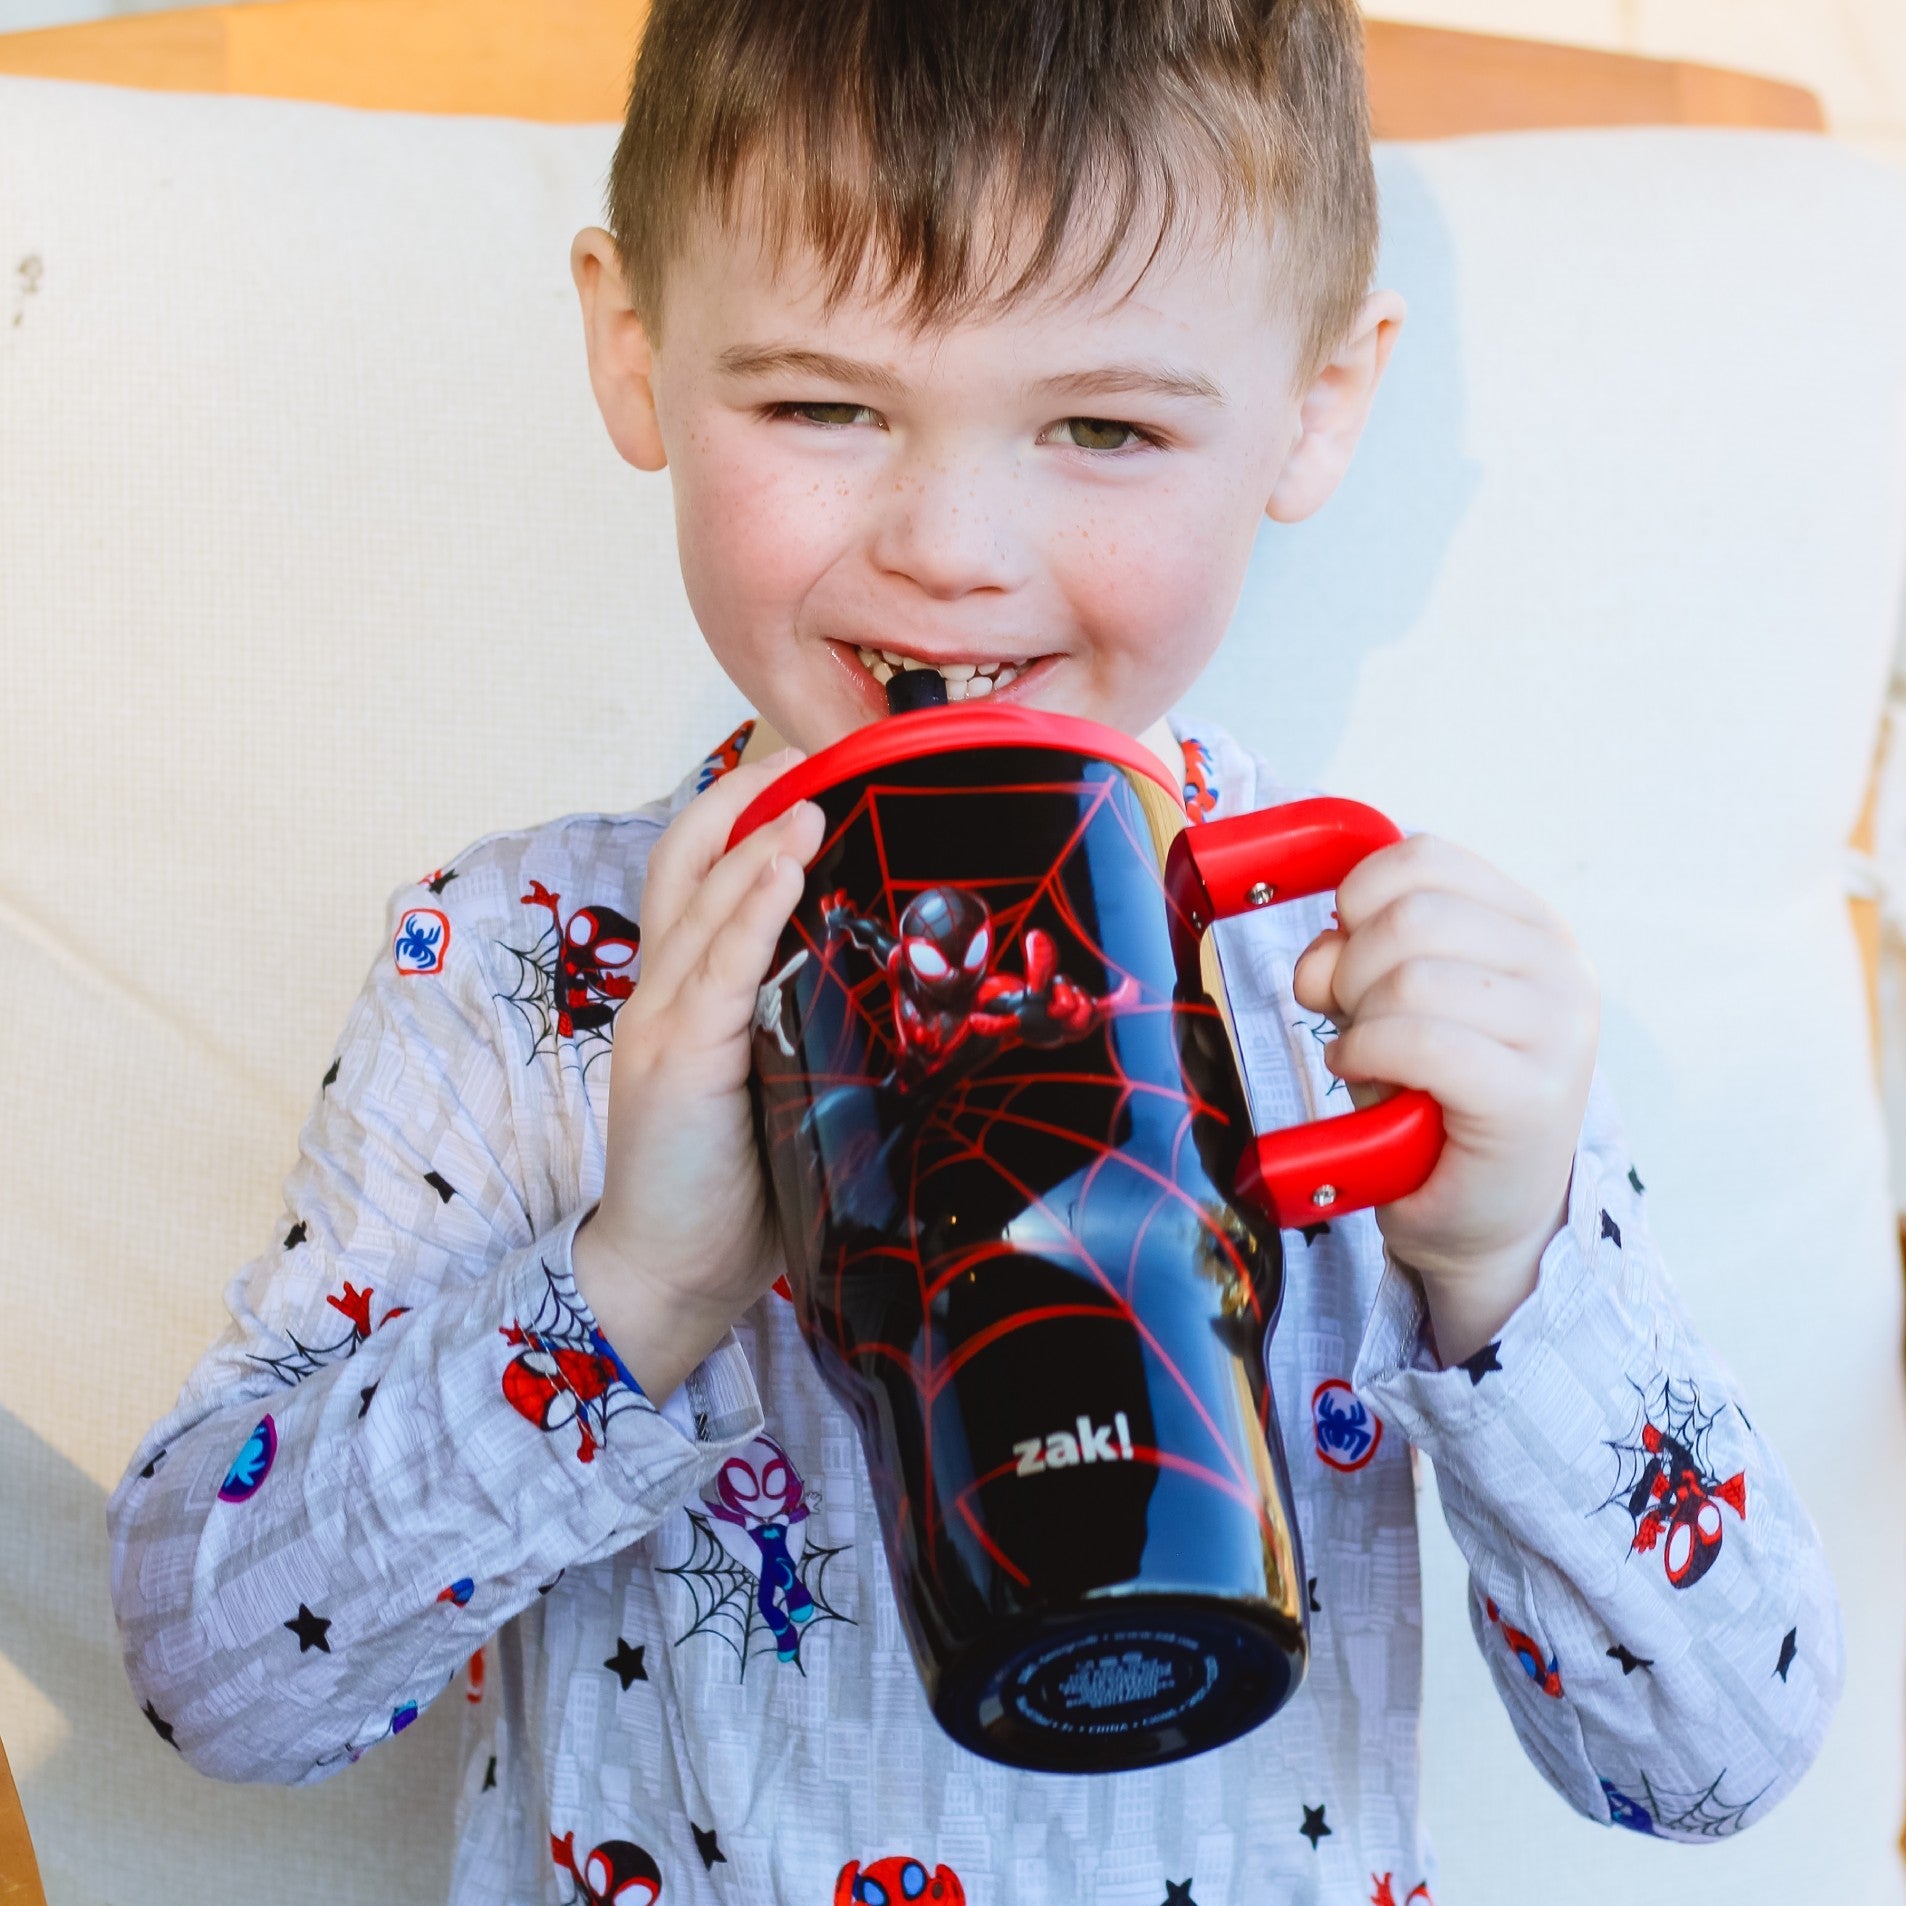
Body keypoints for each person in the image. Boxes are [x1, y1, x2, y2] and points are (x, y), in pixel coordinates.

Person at [107, 2, 1842, 1900]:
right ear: (634, 353)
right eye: (821, 405)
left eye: (1102, 425)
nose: (950, 546)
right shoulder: (525, 968)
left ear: (1320, 401)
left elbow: (1710, 1763)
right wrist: (628, 1292)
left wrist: (1505, 1270)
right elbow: (212, 1683)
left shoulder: (1364, 1004)